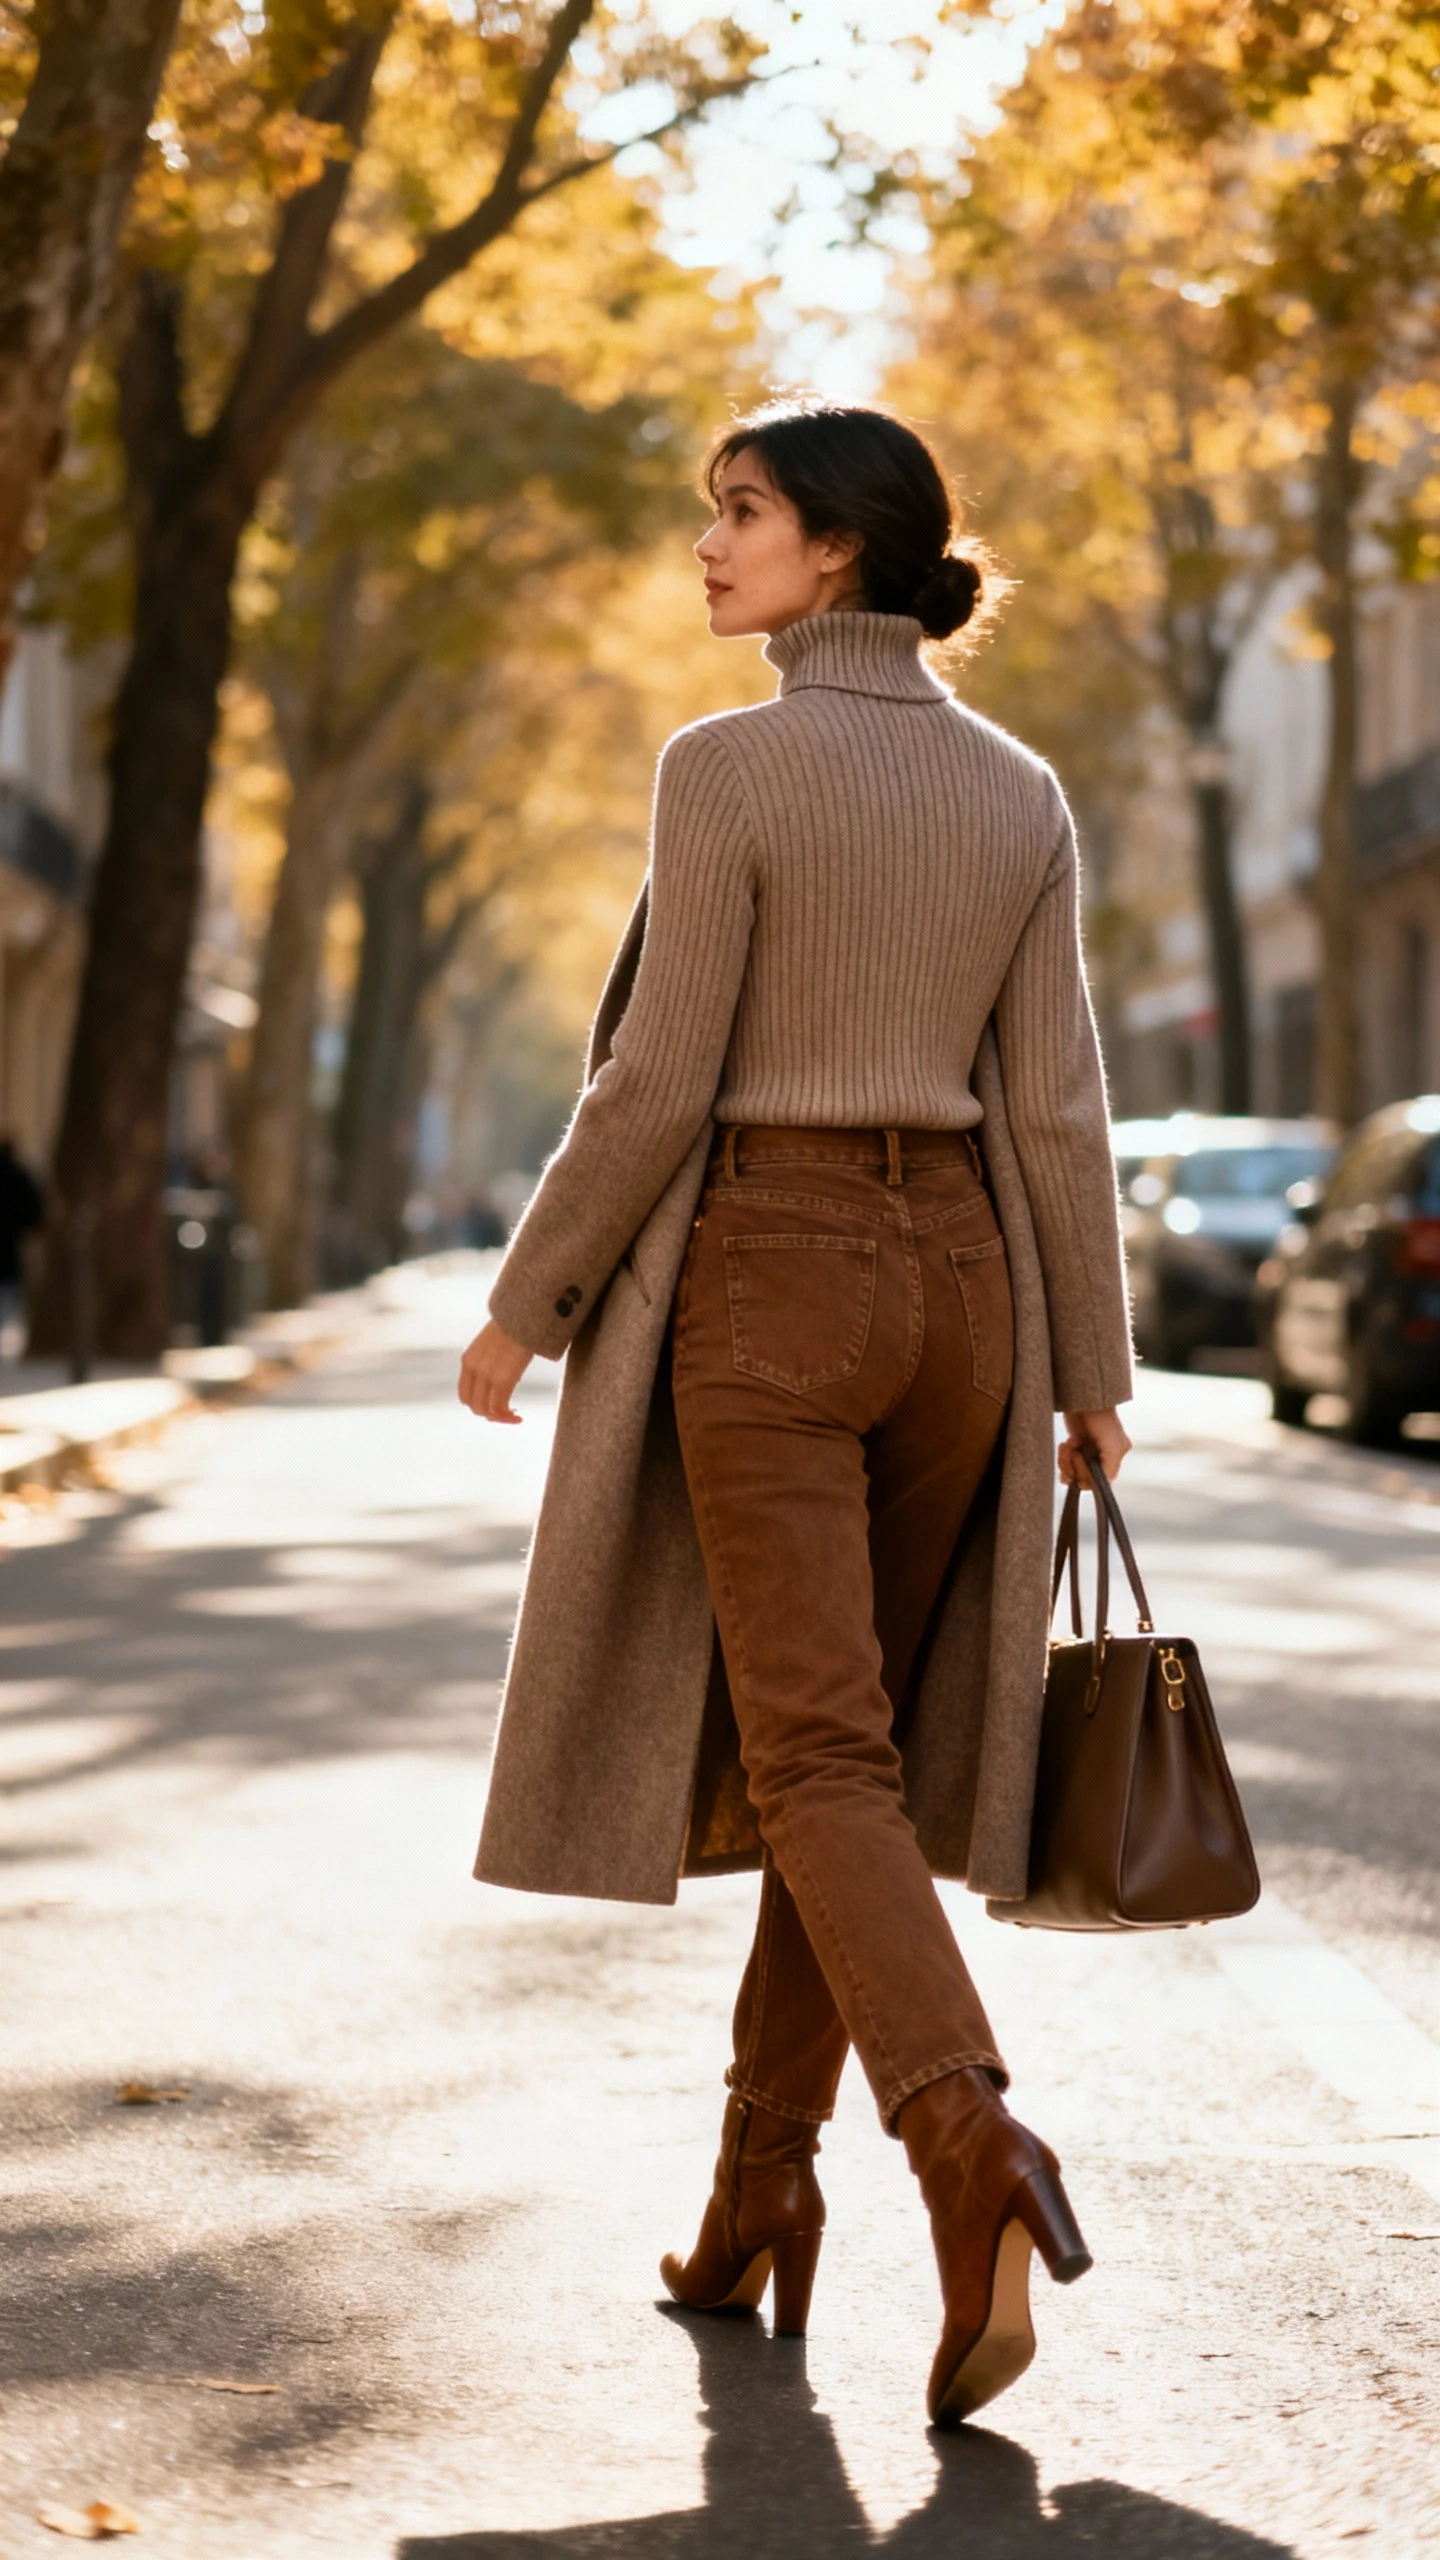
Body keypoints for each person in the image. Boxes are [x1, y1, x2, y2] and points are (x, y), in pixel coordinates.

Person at [457, 403, 1134, 2428]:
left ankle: (969, 2142)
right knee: (827, 1758)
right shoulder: (1016, 789)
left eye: (738, 514)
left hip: (769, 1270)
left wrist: (526, 1300)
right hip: (969, 1299)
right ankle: (758, 2188)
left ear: (840, 551)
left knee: (821, 1753)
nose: (708, 545)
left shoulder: (726, 767)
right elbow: (1059, 1104)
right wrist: (1089, 1367)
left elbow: (656, 1080)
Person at [0, 1134, 44, 1360]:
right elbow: (34, 1210)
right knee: (8, 1290)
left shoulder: (19, 1177)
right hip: (11, 1244)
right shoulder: (20, 1176)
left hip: (9, 1243)